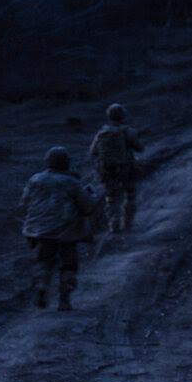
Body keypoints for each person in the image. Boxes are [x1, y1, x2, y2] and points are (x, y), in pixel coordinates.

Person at [19, 146, 96, 311]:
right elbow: (87, 208)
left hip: (40, 230)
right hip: (66, 231)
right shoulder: (72, 182)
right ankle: (64, 300)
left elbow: (24, 203)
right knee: (68, 264)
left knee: (44, 260)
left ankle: (41, 284)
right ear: (66, 163)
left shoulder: (35, 180)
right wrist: (90, 195)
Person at [89, 103, 144, 232]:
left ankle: (114, 224)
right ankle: (128, 223)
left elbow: (93, 151)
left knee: (112, 197)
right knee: (130, 194)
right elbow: (140, 148)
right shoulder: (127, 131)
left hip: (108, 170)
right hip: (127, 168)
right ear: (123, 115)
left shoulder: (102, 132)